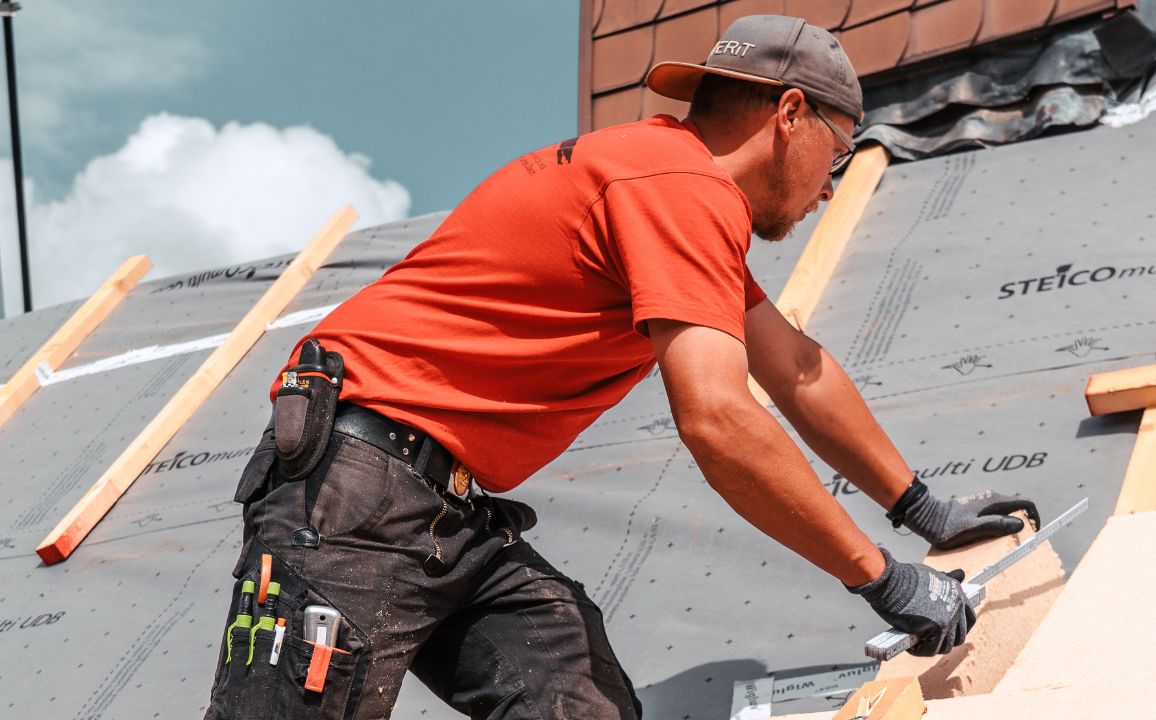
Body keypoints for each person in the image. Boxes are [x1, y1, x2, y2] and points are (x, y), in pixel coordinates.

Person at [204, 15, 1038, 720]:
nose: (832, 184)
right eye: (841, 147)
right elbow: (718, 418)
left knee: (572, 686)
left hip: (439, 513)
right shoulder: (677, 188)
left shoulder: (668, 192)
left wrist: (925, 511)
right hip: (352, 497)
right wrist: (882, 580)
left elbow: (795, 370)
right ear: (790, 113)